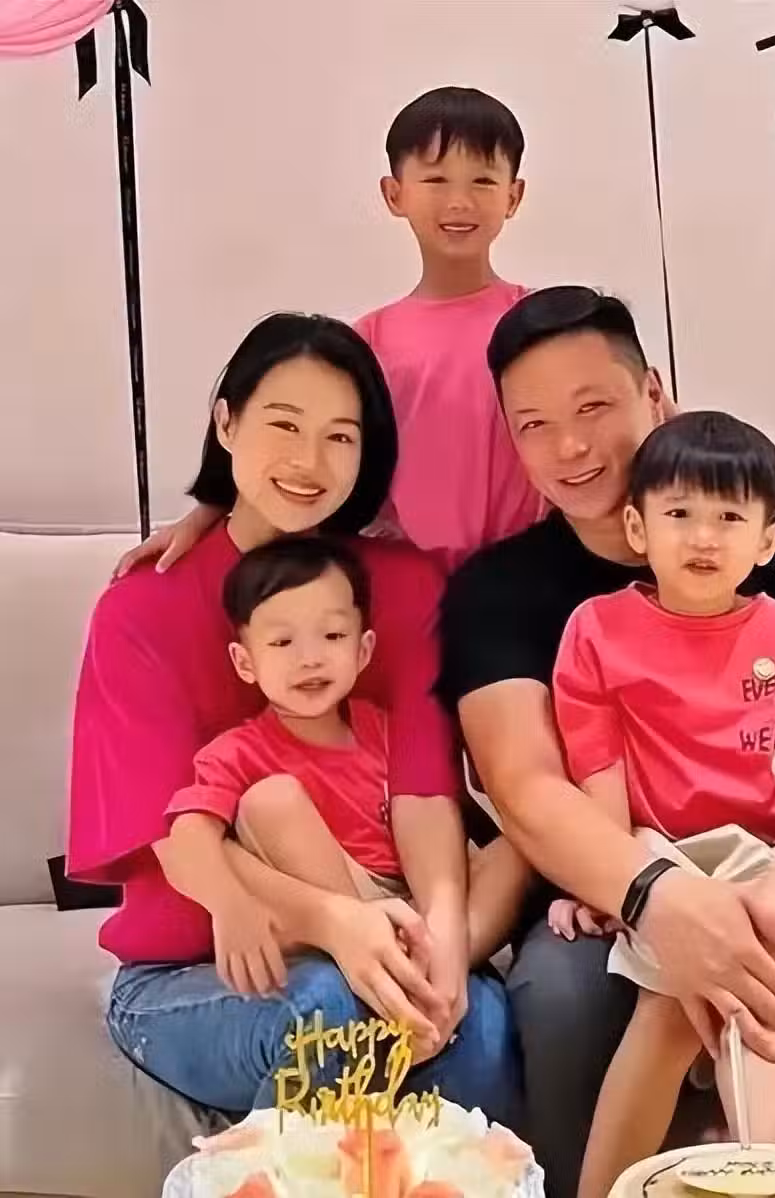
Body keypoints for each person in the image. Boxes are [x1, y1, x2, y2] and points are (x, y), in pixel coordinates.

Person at [436, 286, 775, 1196]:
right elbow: (525, 782)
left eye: (593, 407)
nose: (570, 448)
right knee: (563, 1002)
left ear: (655, 394)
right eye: (534, 426)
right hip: (602, 883)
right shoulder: (499, 591)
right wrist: (653, 895)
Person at [65, 312, 520, 1125]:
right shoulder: (141, 609)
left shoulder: (402, 586)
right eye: (283, 425)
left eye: (341, 437)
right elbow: (173, 835)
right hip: (190, 974)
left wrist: (446, 949)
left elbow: (423, 789)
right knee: (328, 1008)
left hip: (381, 930)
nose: (310, 462)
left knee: (480, 1022)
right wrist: (336, 922)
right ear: (226, 423)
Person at [545, 411, 775, 1198]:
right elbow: (597, 764)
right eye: (679, 513)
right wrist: (603, 885)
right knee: (671, 1007)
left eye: (729, 517)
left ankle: (765, 1181)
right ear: (638, 527)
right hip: (655, 857)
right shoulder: (596, 629)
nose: (703, 537)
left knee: (762, 1004)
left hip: (765, 864)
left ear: (767, 541)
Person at [115, 86, 542, 579]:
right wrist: (201, 517)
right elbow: (297, 450)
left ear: (513, 196)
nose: (460, 201)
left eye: (483, 181)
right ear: (394, 193)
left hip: (522, 577)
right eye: (436, 179)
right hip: (398, 582)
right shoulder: (367, 341)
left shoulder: (539, 323)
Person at [163, 533, 515, 1002]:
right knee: (270, 799)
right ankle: (381, 962)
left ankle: (427, 967)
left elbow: (448, 820)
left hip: (415, 899)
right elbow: (184, 837)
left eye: (332, 636)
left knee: (520, 841)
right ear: (245, 662)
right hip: (331, 906)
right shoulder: (238, 752)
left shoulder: (387, 730)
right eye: (282, 641)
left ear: (363, 650)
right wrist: (230, 905)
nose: (310, 659)